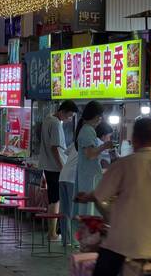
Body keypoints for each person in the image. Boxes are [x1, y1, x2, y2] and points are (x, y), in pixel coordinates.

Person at [76, 118, 151, 276]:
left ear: (133, 138)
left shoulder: (123, 165)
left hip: (124, 242)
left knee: (103, 269)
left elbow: (100, 195)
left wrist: (86, 197)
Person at [38, 100, 79, 240]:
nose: (68, 119)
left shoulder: (47, 119)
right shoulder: (55, 123)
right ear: (63, 111)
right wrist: (62, 167)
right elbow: (55, 148)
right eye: (69, 115)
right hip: (55, 167)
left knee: (53, 199)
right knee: (55, 200)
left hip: (48, 165)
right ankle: (52, 233)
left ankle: (52, 232)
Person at [75, 101, 113, 216]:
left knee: (90, 209)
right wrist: (105, 146)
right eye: (100, 117)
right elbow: (90, 154)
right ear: (96, 116)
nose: (101, 120)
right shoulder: (87, 130)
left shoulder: (86, 129)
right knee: (90, 211)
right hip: (89, 177)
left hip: (88, 175)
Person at [58, 143, 78, 247]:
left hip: (63, 176)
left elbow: (65, 151)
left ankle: (66, 240)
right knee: (73, 210)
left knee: (64, 210)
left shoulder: (76, 143)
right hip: (72, 178)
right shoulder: (94, 142)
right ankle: (75, 240)